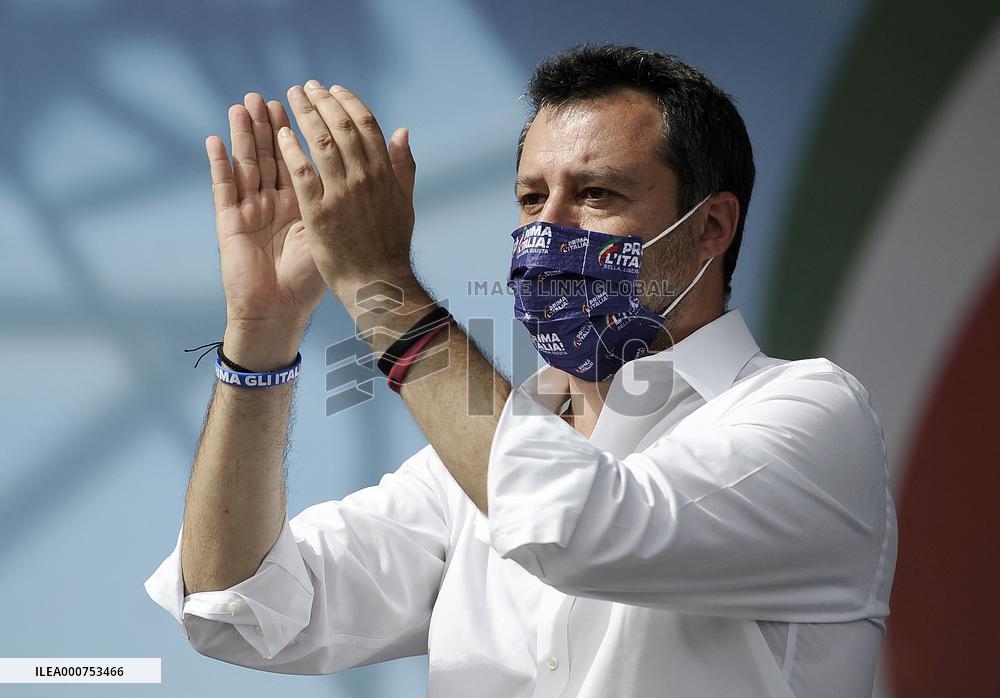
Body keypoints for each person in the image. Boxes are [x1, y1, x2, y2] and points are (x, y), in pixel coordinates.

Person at [145, 44, 897, 697]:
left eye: (596, 194)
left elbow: (574, 529)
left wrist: (380, 284)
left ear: (710, 226)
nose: (547, 231)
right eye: (532, 198)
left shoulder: (810, 417)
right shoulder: (465, 472)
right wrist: (262, 334)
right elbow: (236, 606)